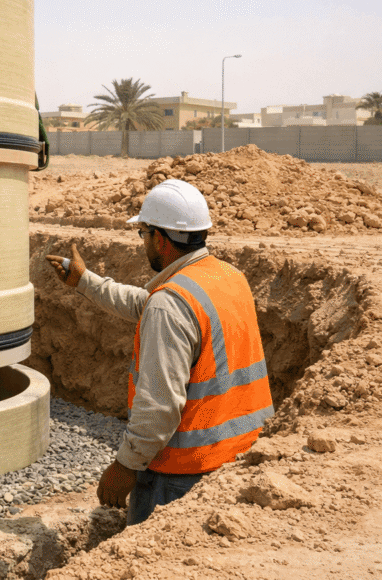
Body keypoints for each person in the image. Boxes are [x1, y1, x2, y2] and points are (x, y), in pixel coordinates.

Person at [46, 178, 274, 525]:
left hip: (182, 475)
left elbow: (160, 406)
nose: (143, 243)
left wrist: (125, 466)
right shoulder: (228, 277)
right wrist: (86, 281)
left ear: (160, 239)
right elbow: (150, 303)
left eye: (143, 234)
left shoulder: (170, 305)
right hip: (242, 454)